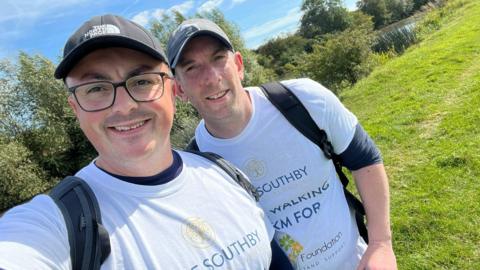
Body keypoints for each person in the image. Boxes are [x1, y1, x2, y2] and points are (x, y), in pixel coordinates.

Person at [0, 14, 288, 269]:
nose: (123, 107)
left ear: (172, 90)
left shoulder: (225, 172)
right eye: (96, 88)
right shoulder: (60, 226)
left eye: (141, 81)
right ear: (75, 108)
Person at [168, 18, 398, 269]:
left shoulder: (304, 100)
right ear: (179, 89)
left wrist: (381, 243)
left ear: (239, 65)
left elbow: (364, 159)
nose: (211, 78)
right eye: (192, 68)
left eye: (218, 59)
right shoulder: (197, 166)